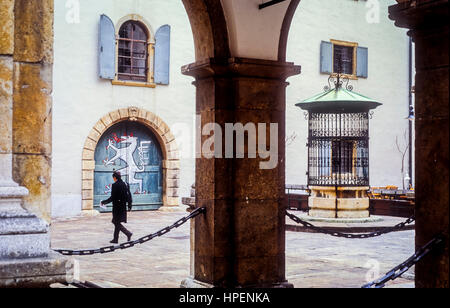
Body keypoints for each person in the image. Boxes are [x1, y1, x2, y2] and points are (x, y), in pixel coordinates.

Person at [101, 171, 133, 244]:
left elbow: (113, 197)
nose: (113, 179)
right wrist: (129, 205)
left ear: (115, 178)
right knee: (117, 222)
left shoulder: (115, 185)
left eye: (113, 178)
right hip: (123, 206)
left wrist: (104, 202)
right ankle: (115, 239)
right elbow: (129, 195)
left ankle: (128, 233)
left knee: (115, 221)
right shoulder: (126, 184)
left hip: (117, 207)